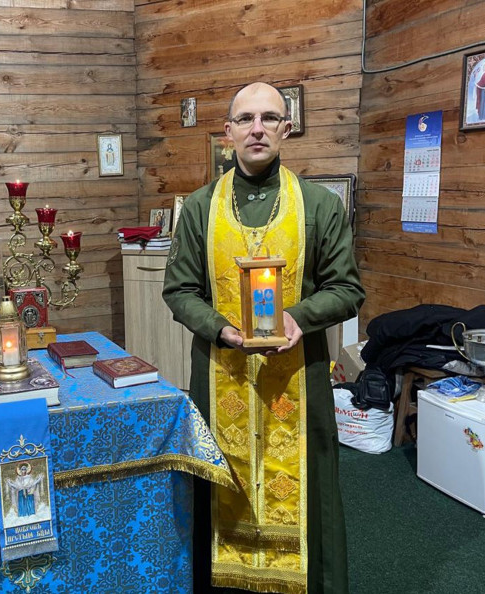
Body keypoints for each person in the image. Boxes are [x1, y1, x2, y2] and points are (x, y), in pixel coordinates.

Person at [163, 82, 364, 594]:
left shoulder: (318, 205)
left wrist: (298, 317)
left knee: (307, 489)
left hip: (298, 379)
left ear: (286, 129)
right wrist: (220, 329)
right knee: (219, 486)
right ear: (227, 132)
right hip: (220, 374)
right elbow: (179, 290)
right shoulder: (200, 207)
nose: (257, 129)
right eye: (245, 119)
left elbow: (347, 289)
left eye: (269, 118)